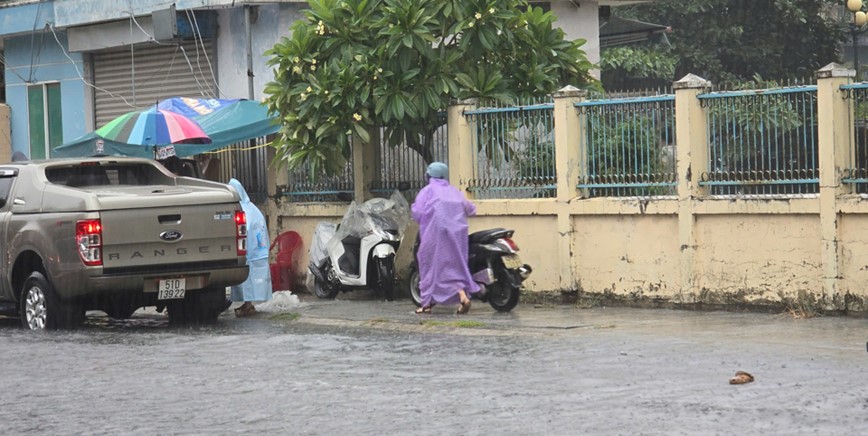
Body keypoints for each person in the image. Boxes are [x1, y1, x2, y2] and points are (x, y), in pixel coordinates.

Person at [411, 162, 479, 314]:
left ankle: (426, 304)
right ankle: (462, 296)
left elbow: (418, 212)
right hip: (457, 236)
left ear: (429, 176)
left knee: (429, 267)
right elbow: (471, 209)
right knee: (453, 267)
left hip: (434, 236)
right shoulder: (454, 192)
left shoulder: (427, 191)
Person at [228, 178, 272, 317]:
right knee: (251, 280)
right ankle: (247, 304)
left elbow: (243, 231)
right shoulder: (252, 208)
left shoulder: (243, 209)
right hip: (258, 252)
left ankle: (248, 305)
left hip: (250, 252)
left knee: (248, 281)